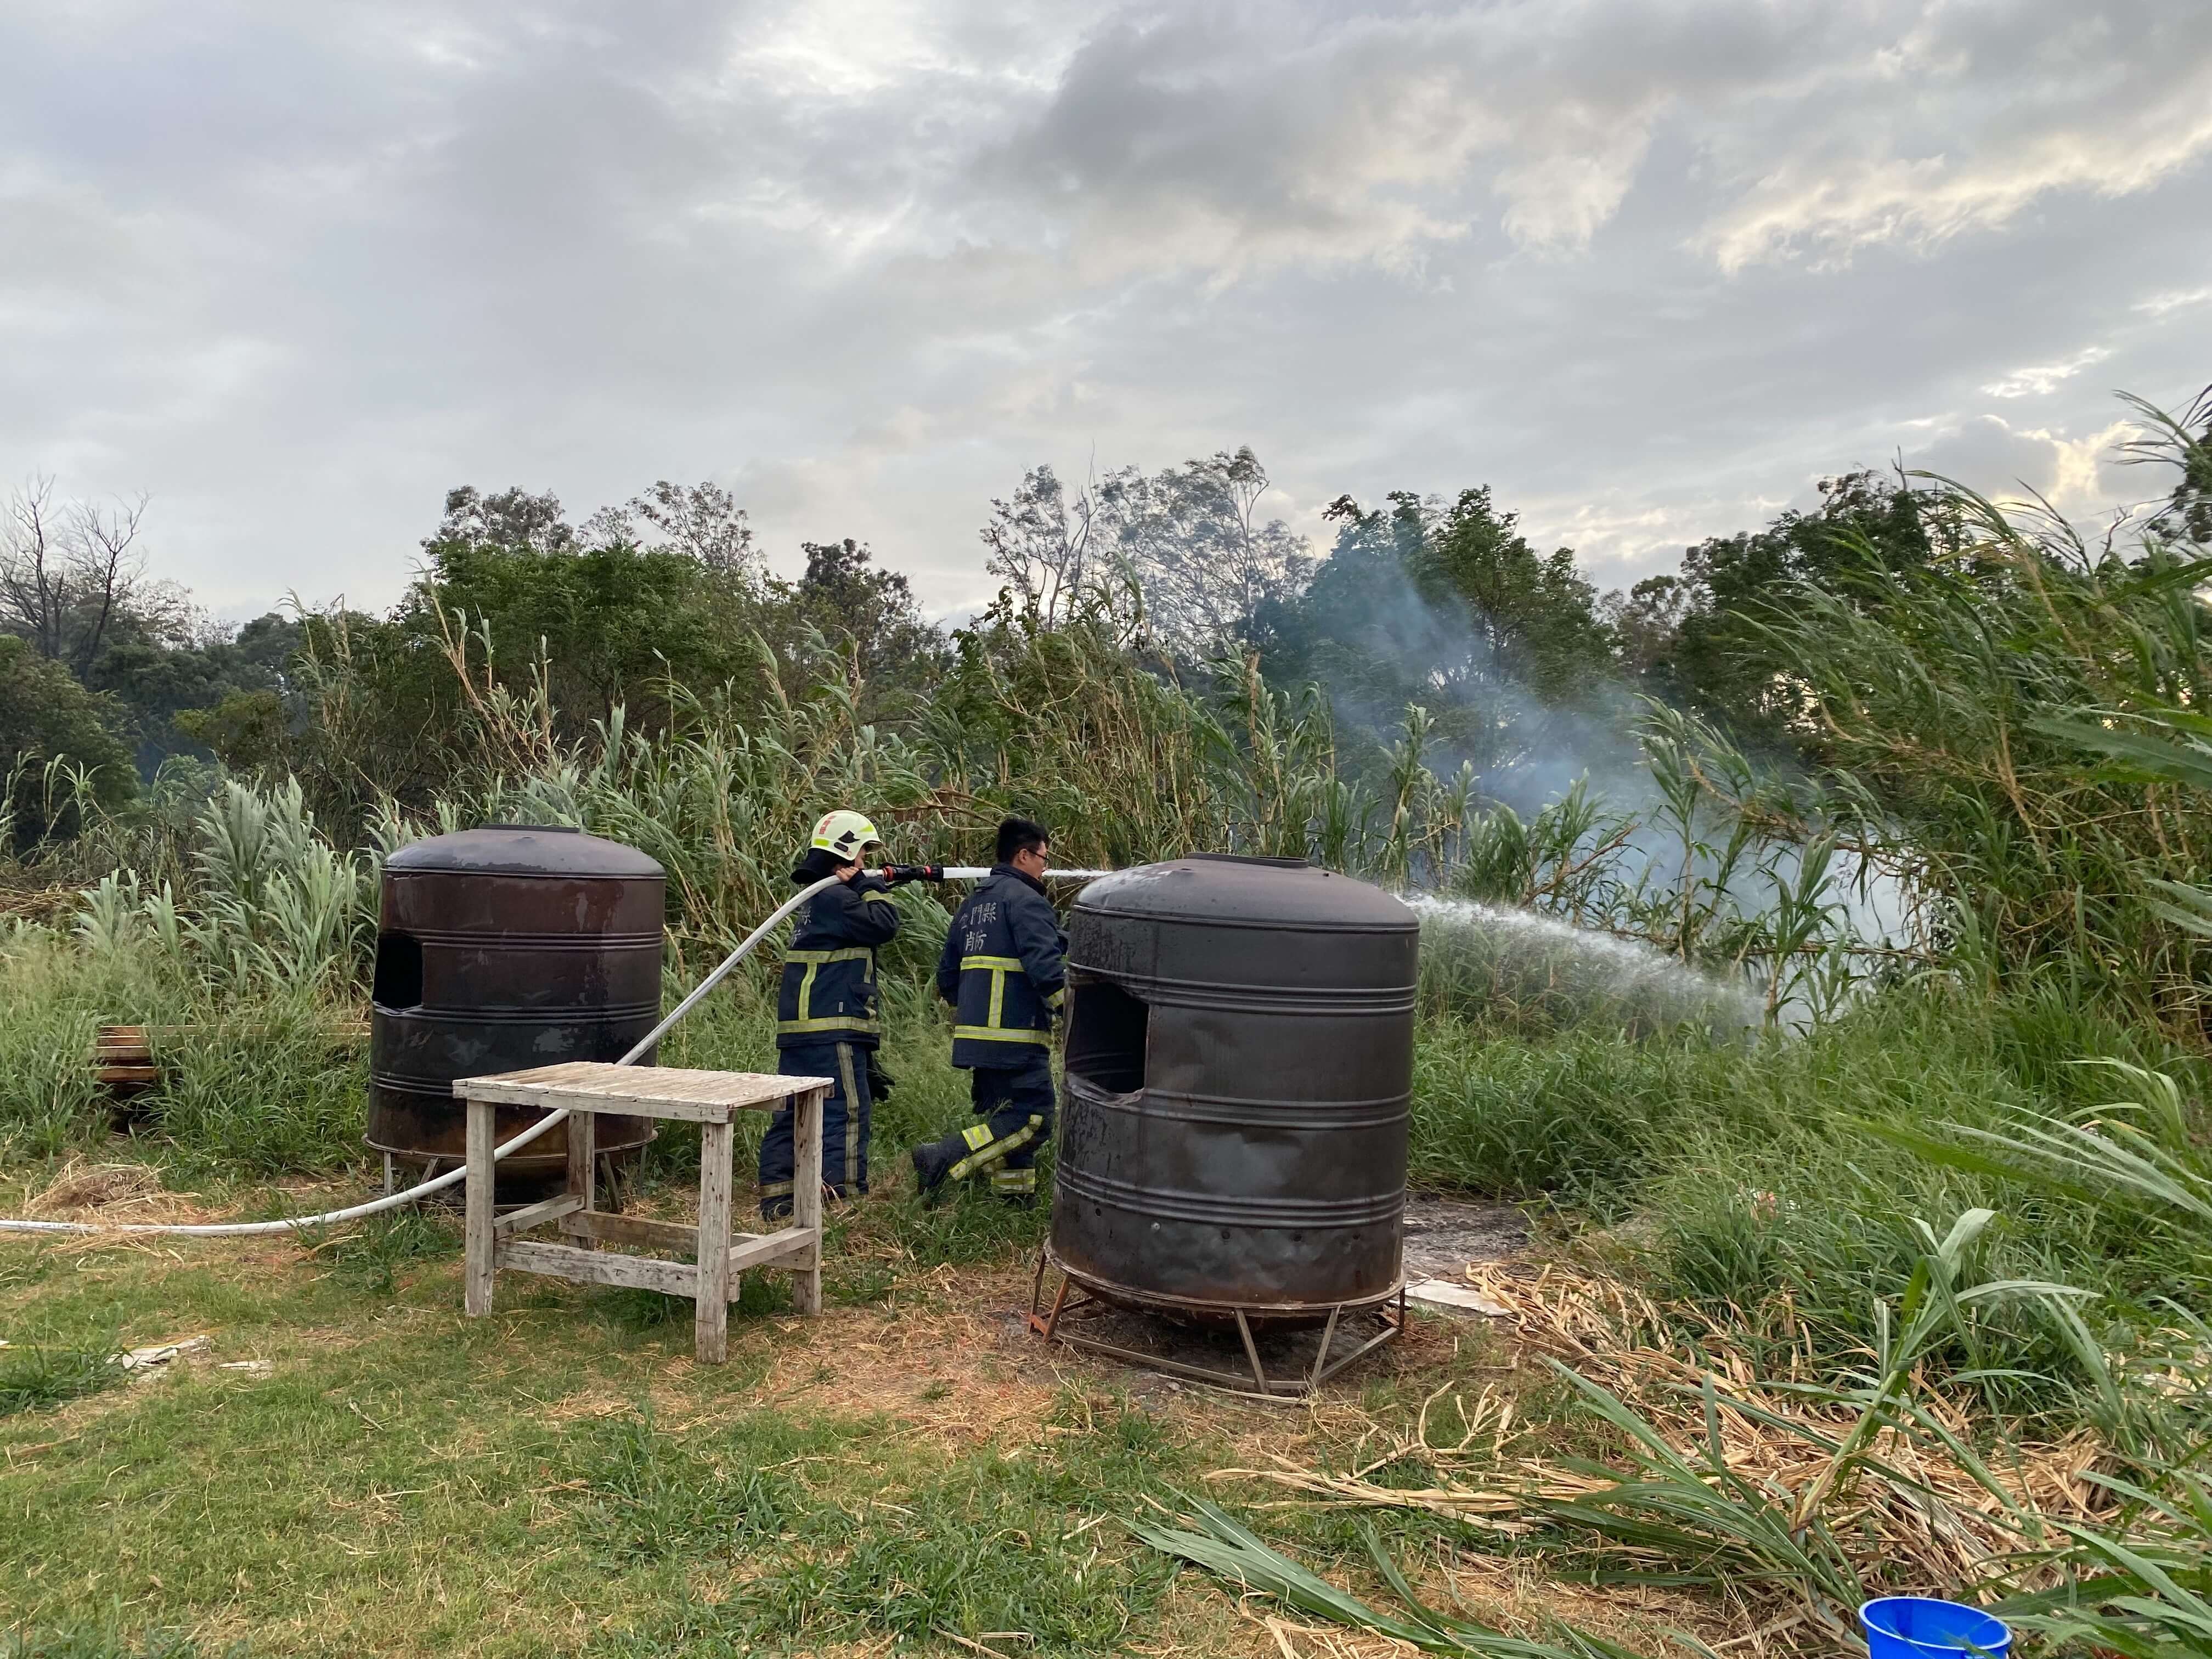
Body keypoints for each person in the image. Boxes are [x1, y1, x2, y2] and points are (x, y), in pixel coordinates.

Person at [911, 816, 1067, 1206]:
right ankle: (942, 1158)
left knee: (1007, 1121)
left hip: (978, 1043)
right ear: (1023, 855)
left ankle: (1014, 1203)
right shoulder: (1028, 901)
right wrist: (1080, 1019)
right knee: (1033, 1122)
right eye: (1044, 859)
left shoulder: (971, 906)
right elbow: (1048, 971)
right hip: (1016, 1039)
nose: (1046, 867)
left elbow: (947, 978)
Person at [758, 808, 899, 1222]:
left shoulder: (816, 900)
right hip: (832, 1029)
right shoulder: (838, 896)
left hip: (802, 1032)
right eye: (862, 857)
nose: (866, 865)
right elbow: (884, 924)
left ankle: (779, 1202)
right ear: (846, 851)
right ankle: (842, 1203)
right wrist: (866, 887)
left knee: (795, 1112)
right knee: (846, 1112)